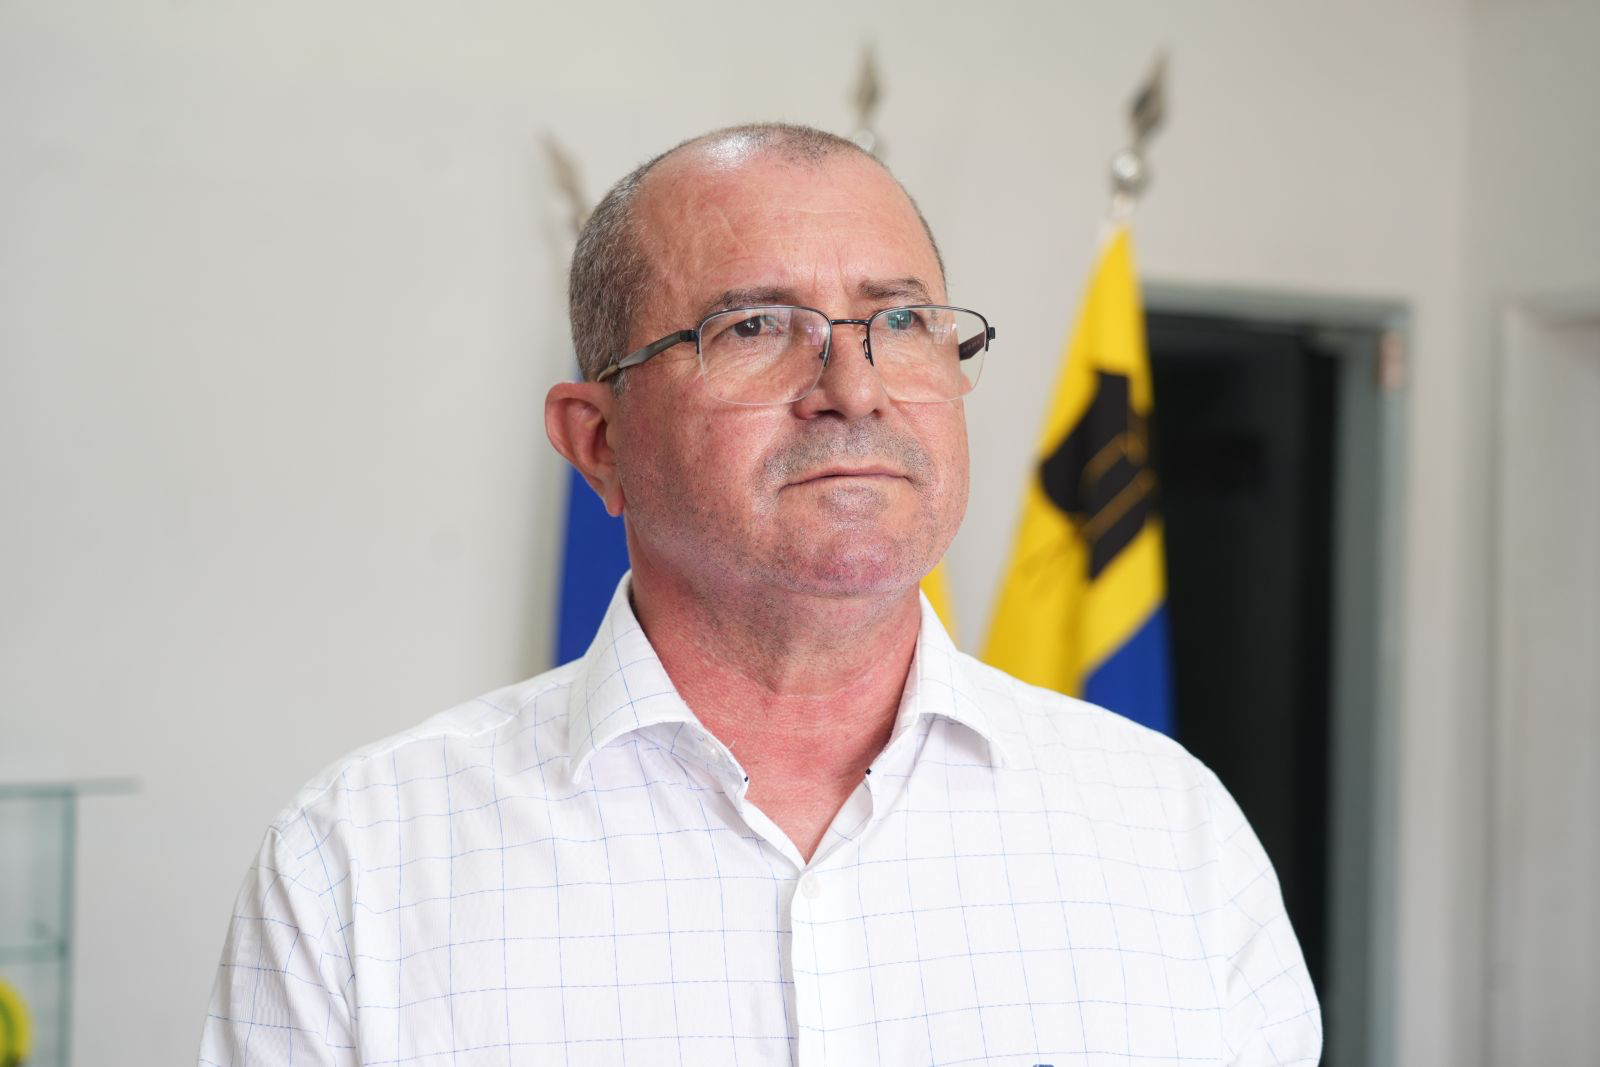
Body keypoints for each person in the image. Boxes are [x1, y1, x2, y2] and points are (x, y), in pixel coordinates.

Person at [201, 122, 1320, 1066]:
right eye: (752, 326)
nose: (853, 389)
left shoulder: (1171, 831)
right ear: (598, 442)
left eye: (900, 322)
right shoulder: (361, 863)